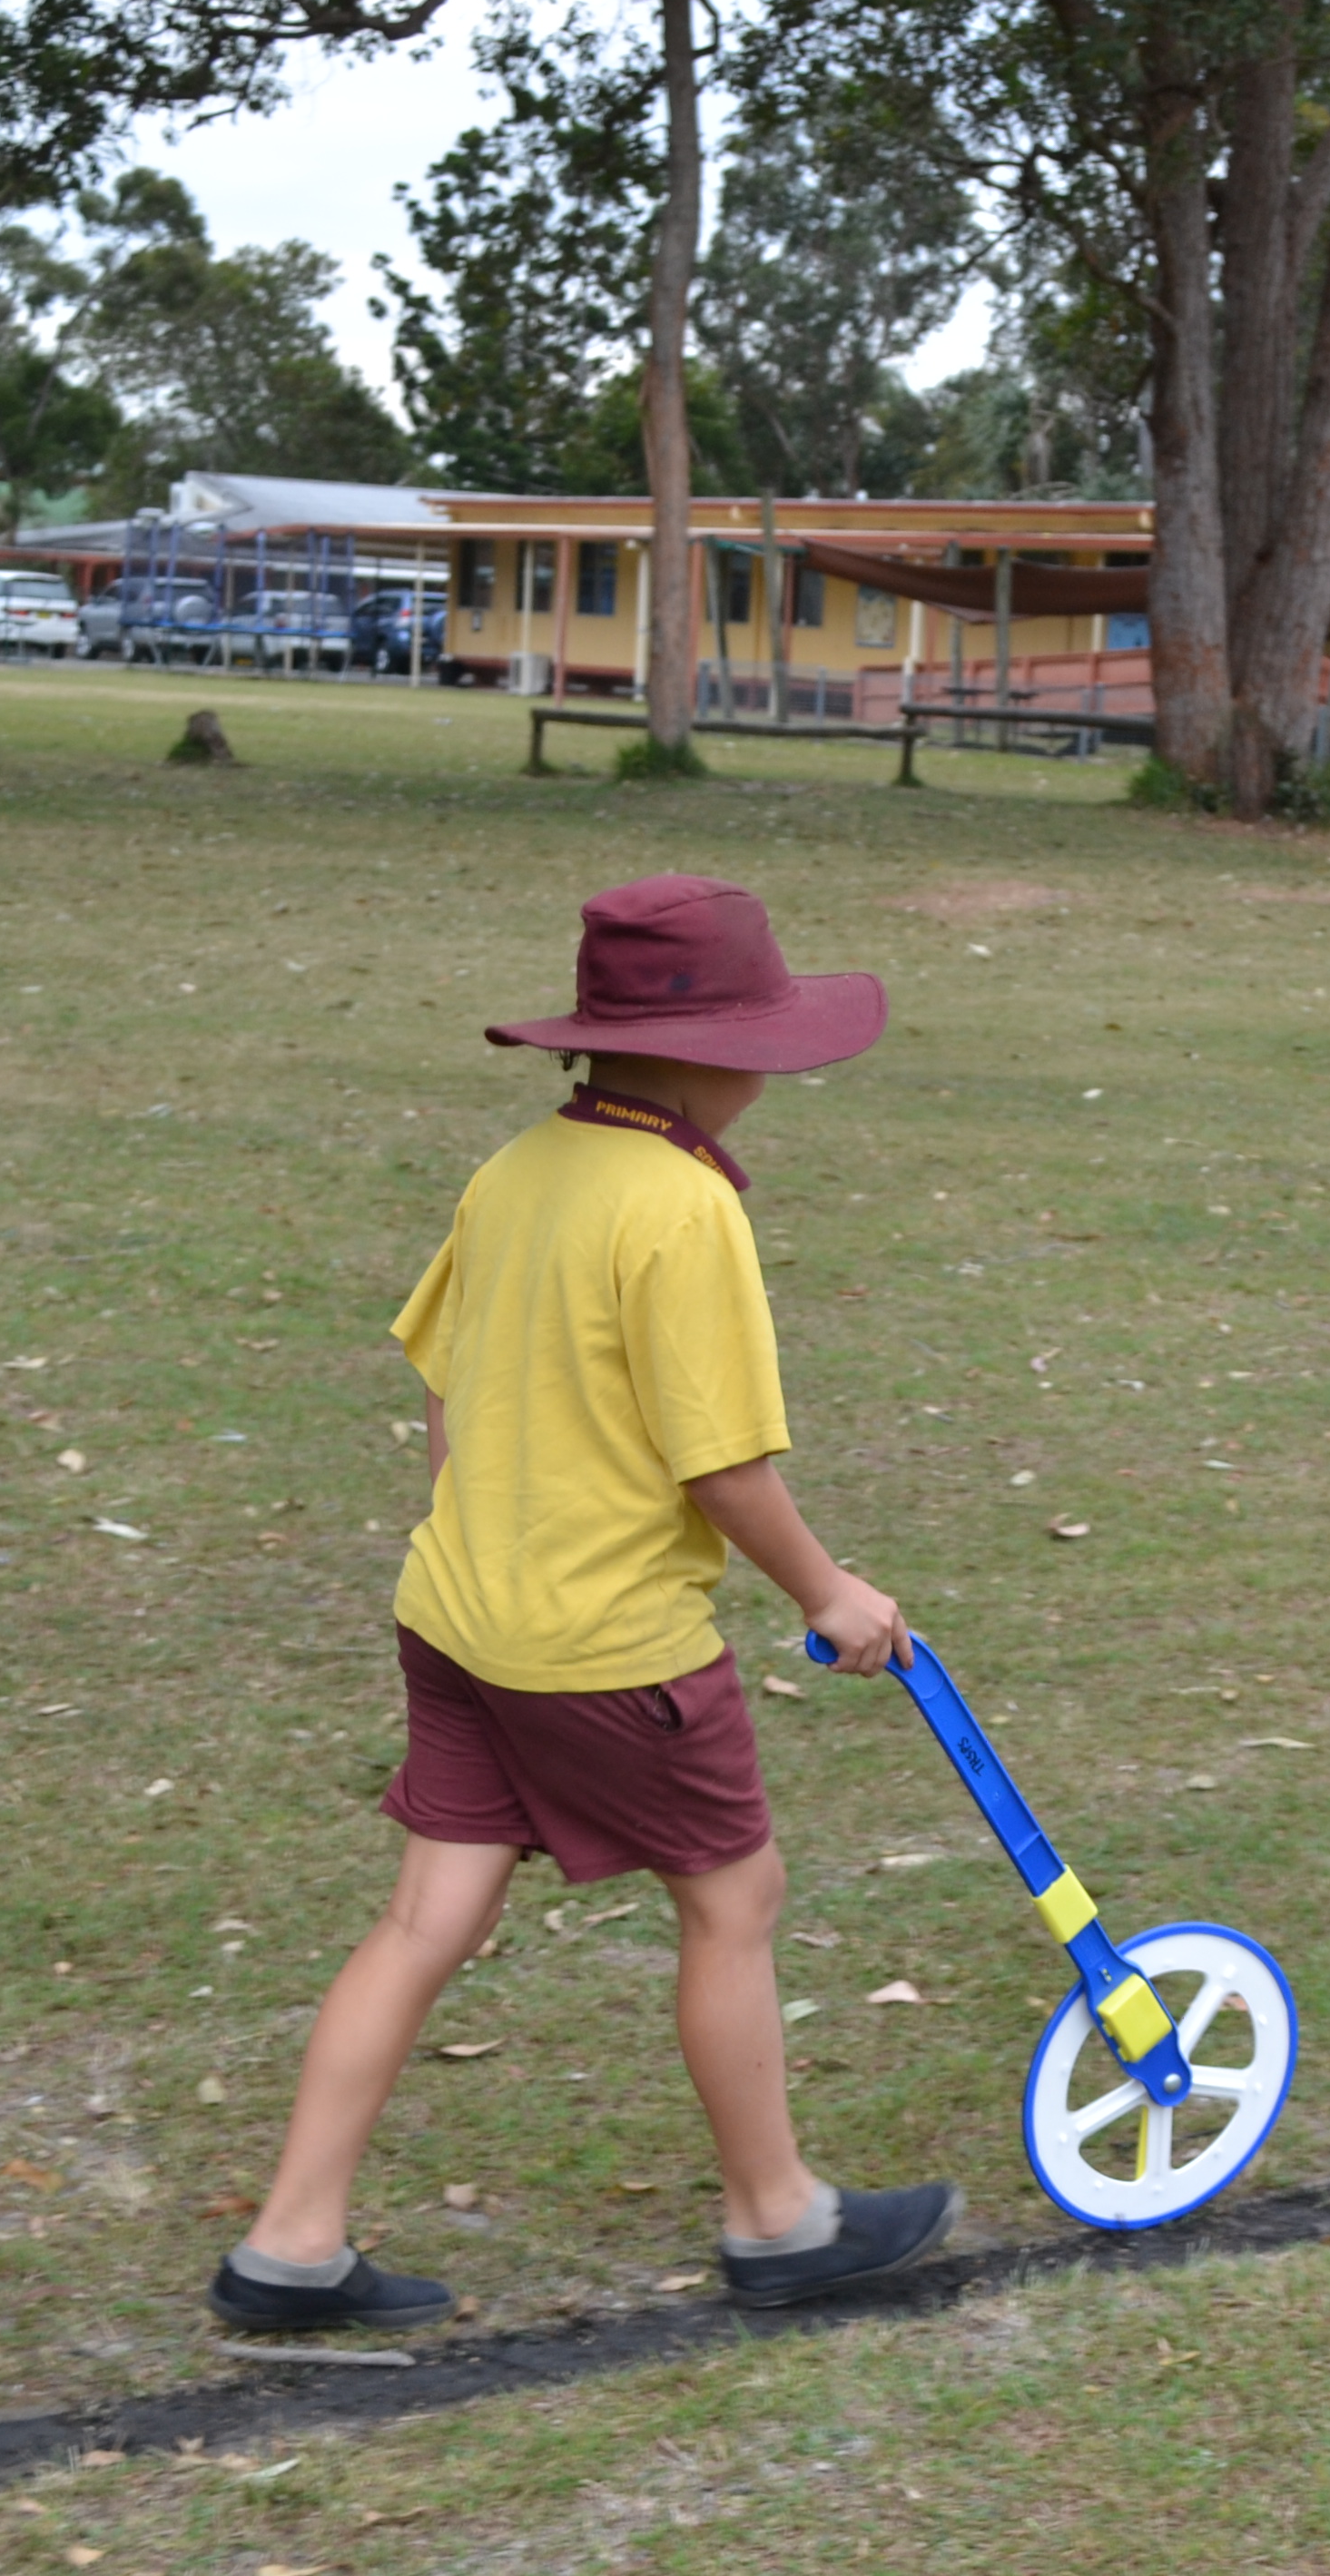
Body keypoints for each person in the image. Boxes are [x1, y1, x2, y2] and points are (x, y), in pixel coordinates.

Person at [207, 875, 961, 2333]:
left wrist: (483, 1526)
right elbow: (726, 1466)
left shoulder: (518, 1170)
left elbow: (441, 1379)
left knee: (432, 1910)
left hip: (457, 1614)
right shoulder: (682, 1208)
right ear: (711, 1054)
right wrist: (835, 1593)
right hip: (608, 1646)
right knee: (734, 1898)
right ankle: (778, 2217)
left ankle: (288, 2245)